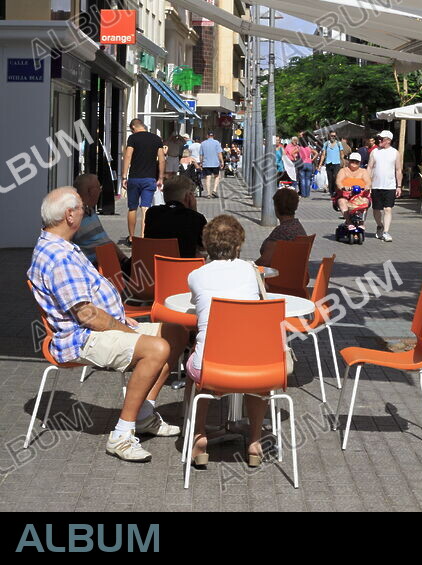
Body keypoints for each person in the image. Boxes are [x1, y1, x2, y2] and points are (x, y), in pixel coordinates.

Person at [28, 187, 187, 462]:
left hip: (101, 327)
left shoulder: (61, 246)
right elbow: (86, 315)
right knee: (157, 348)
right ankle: (122, 435)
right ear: (69, 215)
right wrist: (128, 331)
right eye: (83, 208)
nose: (85, 212)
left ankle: (144, 414)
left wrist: (126, 327)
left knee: (177, 331)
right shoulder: (58, 257)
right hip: (81, 338)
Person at [185, 215, 267, 469]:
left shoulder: (196, 275)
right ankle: (255, 440)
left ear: (207, 245)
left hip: (211, 368)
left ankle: (198, 436)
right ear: (239, 244)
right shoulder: (252, 272)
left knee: (195, 363)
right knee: (258, 376)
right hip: (255, 369)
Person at [73, 173, 130, 275]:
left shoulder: (90, 212)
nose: (100, 190)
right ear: (91, 191)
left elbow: (105, 241)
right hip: (97, 271)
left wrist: (125, 261)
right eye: (99, 187)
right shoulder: (75, 217)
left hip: (110, 264)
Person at [122, 120, 165, 247]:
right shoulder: (156, 139)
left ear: (134, 127)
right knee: (146, 208)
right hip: (149, 178)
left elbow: (128, 156)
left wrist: (124, 176)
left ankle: (131, 237)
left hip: (134, 178)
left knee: (132, 208)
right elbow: (162, 159)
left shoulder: (133, 138)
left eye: (131, 129)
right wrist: (161, 177)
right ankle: (143, 236)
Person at [143, 174, 207, 258]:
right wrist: (193, 211)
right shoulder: (196, 218)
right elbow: (204, 246)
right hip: (183, 267)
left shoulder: (152, 213)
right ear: (188, 197)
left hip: (153, 266)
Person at [256, 187, 307, 268]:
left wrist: (250, 268)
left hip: (277, 277)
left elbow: (265, 261)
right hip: (294, 276)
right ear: (295, 207)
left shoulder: (281, 232)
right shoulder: (298, 227)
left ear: (276, 208)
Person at [368, 130, 402, 243]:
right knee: (376, 209)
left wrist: (399, 186)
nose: (379, 140)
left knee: (388, 209)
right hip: (376, 185)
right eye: (379, 138)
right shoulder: (374, 152)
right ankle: (379, 225)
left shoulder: (395, 153)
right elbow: (370, 167)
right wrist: (367, 184)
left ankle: (386, 232)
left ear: (388, 140)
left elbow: (398, 170)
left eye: (381, 139)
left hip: (390, 186)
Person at [335, 152, 372, 220]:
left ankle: (361, 222)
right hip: (346, 195)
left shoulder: (363, 171)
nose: (354, 163)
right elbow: (338, 182)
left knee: (365, 201)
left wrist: (367, 186)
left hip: (360, 195)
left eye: (356, 162)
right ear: (349, 161)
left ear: (359, 163)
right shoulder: (343, 171)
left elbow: (368, 182)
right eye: (352, 161)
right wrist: (343, 187)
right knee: (342, 201)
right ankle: (348, 222)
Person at [318, 131, 343, 199]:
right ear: (329, 136)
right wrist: (320, 165)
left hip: (336, 163)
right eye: (332, 136)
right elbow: (323, 155)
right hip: (328, 163)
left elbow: (341, 154)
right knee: (330, 179)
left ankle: (336, 192)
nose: (333, 137)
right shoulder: (326, 144)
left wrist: (343, 163)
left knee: (336, 178)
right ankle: (332, 194)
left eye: (334, 136)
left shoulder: (339, 144)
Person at [200, 132, 224, 198]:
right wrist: (222, 162)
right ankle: (214, 190)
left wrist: (201, 163)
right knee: (217, 176)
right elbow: (219, 153)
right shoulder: (217, 143)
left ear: (207, 136)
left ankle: (208, 193)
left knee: (208, 177)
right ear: (213, 136)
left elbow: (201, 155)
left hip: (206, 163)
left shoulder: (203, 143)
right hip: (215, 163)